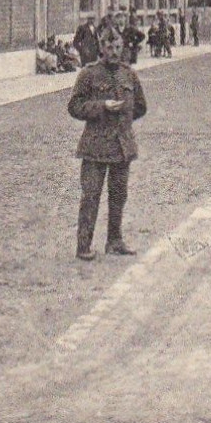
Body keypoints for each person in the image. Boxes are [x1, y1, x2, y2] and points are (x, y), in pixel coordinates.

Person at [69, 35, 148, 259]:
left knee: (118, 195)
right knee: (91, 196)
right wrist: (101, 107)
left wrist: (123, 120)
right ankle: (83, 246)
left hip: (122, 146)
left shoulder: (129, 74)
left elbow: (141, 106)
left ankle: (114, 241)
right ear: (101, 48)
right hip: (95, 147)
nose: (113, 51)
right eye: (109, 47)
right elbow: (74, 106)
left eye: (118, 47)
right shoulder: (89, 74)